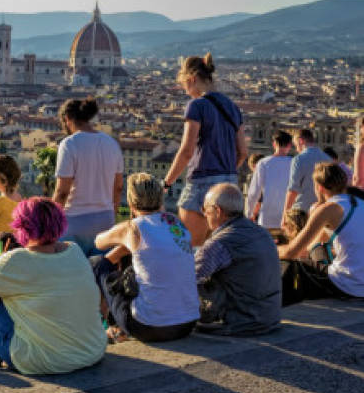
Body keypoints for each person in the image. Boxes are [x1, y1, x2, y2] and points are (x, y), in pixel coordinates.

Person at [0, 198, 107, 378]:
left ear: (21, 226)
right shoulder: (74, 251)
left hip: (42, 361)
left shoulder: (17, 260)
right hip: (92, 351)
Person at [92, 173, 200, 343]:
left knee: (99, 264)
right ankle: (116, 327)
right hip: (187, 324)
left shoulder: (133, 227)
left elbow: (98, 242)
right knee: (136, 255)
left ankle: (100, 328)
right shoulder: (176, 223)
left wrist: (122, 248)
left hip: (149, 327)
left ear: (130, 202)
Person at [163, 53, 247, 247]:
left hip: (202, 186)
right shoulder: (233, 107)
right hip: (230, 188)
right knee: (220, 252)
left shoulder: (197, 105)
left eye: (185, 85)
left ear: (192, 79)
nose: (186, 91)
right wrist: (225, 172)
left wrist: (166, 184)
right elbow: (243, 152)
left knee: (190, 250)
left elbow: (186, 151)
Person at [196, 184, 282, 335]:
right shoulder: (262, 233)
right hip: (270, 318)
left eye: (205, 209)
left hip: (242, 322)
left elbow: (187, 277)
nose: (204, 214)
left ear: (218, 211)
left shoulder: (221, 243)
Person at [278, 162, 364, 302]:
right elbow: (315, 244)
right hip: (360, 282)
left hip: (350, 285)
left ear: (320, 187)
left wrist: (272, 249)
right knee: (316, 249)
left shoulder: (328, 209)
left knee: (291, 265)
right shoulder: (358, 202)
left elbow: (291, 252)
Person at [52, 97, 123, 254]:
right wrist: (112, 214)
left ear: (67, 119)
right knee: (100, 274)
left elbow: (62, 192)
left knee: (71, 272)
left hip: (74, 221)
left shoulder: (69, 144)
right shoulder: (112, 144)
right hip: (105, 220)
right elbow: (118, 187)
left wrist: (51, 223)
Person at [246, 131, 294, 229]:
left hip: (266, 218)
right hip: (288, 218)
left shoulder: (263, 163)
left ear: (274, 144)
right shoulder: (294, 163)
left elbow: (254, 192)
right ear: (289, 145)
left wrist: (249, 213)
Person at [284, 129, 331, 215]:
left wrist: (285, 214)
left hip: (301, 211)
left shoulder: (299, 159)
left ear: (300, 141)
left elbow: (293, 189)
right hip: (323, 211)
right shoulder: (328, 159)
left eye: (296, 145)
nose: (297, 150)